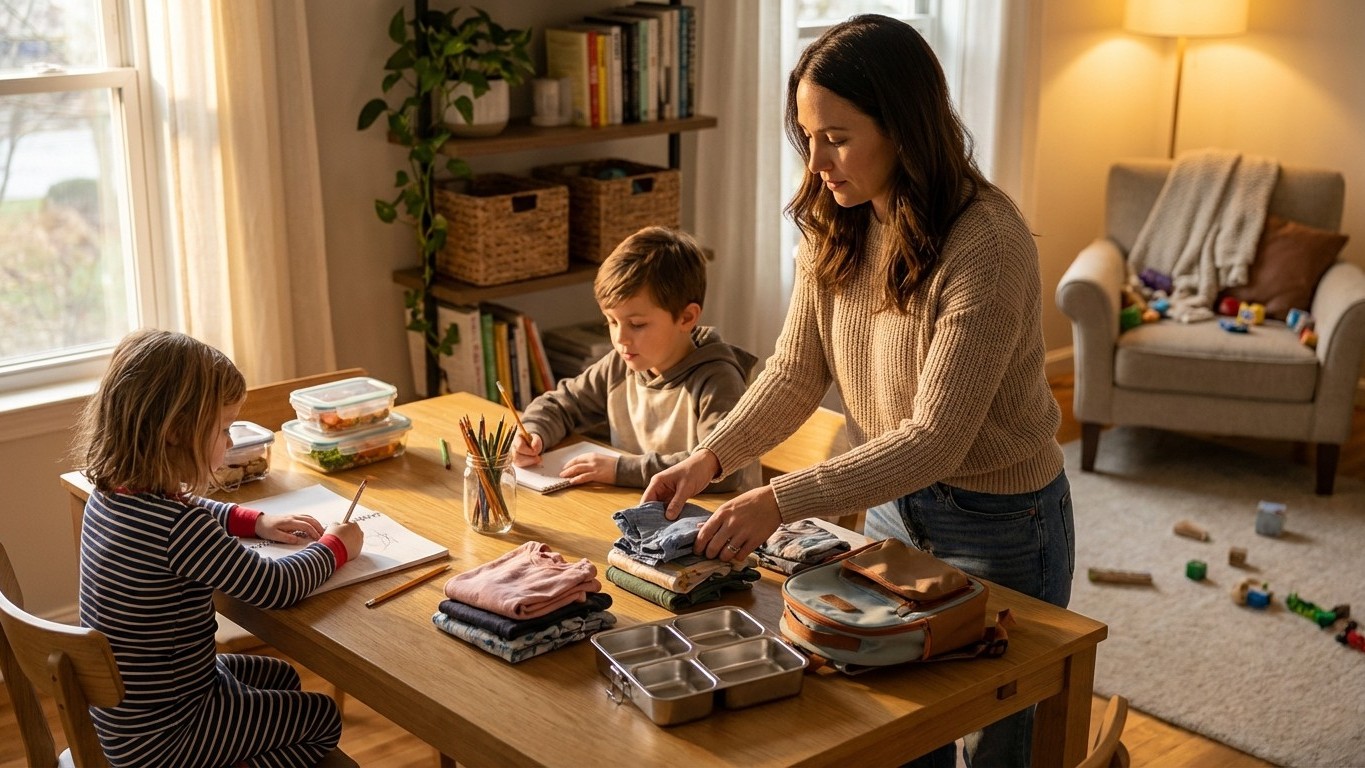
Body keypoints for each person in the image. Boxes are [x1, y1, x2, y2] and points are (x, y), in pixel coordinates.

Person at [642, 15, 1073, 768]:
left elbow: (935, 438)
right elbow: (792, 372)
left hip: (1002, 524)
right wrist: (708, 459)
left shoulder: (987, 243)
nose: (816, 161)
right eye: (806, 135)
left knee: (1000, 746)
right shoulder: (835, 221)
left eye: (835, 137)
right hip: (892, 509)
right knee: (900, 733)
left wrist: (775, 501)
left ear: (904, 127)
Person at [72, 329, 364, 768]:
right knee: (321, 716)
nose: (230, 442)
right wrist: (334, 547)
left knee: (281, 675)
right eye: (224, 428)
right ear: (175, 433)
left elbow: (188, 508)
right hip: (169, 735)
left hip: (129, 720)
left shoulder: (111, 493)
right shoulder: (179, 529)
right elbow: (275, 586)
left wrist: (255, 520)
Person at [511, 225, 760, 492]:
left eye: (637, 324)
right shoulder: (620, 365)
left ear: (686, 318)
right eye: (611, 322)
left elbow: (722, 468)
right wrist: (534, 431)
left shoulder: (718, 381)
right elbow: (560, 404)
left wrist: (620, 469)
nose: (620, 339)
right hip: (638, 510)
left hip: (710, 522)